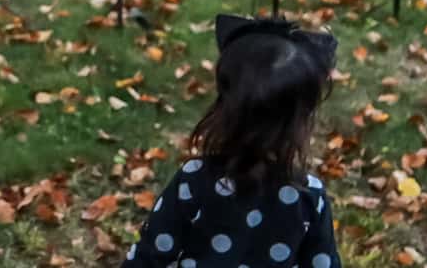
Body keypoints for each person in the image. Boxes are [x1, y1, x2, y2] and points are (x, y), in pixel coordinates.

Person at [124, 15, 341, 268]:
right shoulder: (308, 197)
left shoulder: (193, 181)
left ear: (224, 111)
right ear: (300, 124)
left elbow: (147, 259)